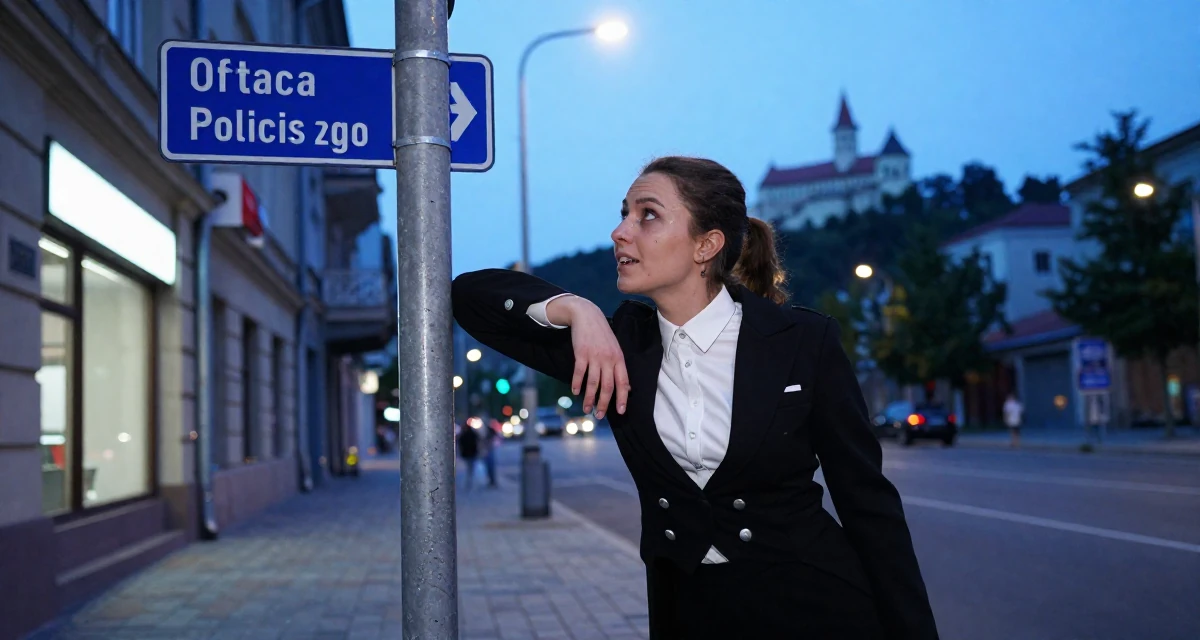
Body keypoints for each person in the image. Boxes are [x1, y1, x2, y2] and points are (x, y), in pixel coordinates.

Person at [452, 156, 938, 639]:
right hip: (686, 614)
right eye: (623, 213)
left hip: (816, 608)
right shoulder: (616, 348)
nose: (620, 232)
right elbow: (469, 298)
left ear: (706, 245)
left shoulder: (802, 341)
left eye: (647, 215)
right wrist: (576, 309)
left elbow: (868, 505)